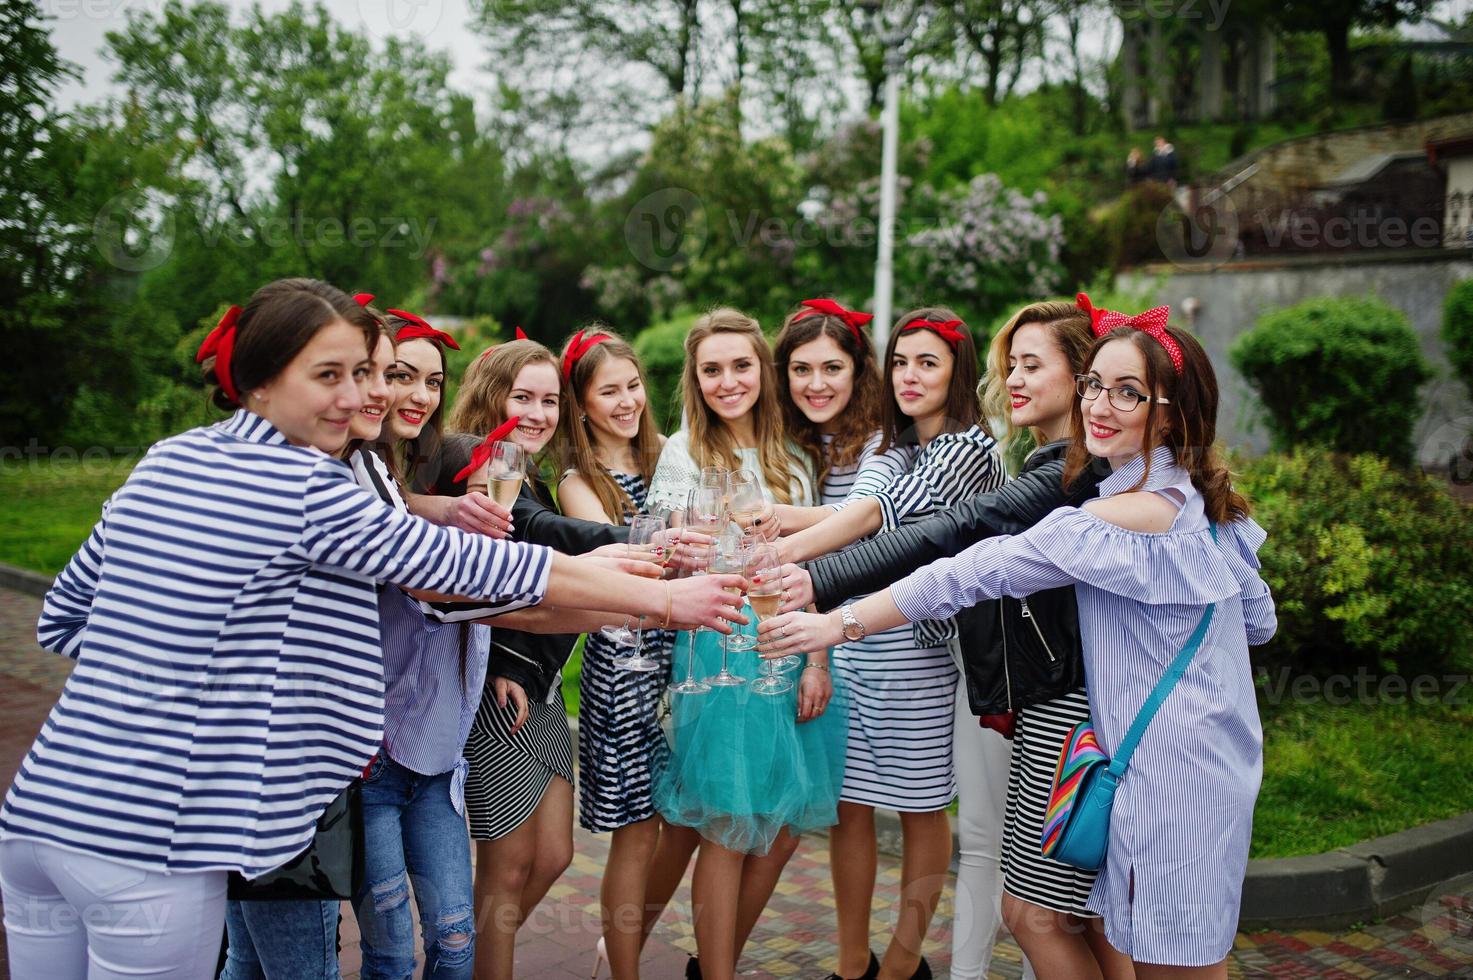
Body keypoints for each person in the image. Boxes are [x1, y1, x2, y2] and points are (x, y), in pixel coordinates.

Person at [0, 277, 747, 980]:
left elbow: (66, 618)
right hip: (150, 844)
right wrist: (667, 602)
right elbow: (465, 570)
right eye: (329, 376)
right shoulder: (304, 484)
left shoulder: (168, 459)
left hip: (41, 816)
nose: (359, 395)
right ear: (257, 380)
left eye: (363, 373)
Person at [758, 301, 1276, 980]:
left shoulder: (1109, 518)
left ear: (1171, 413)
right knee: (1138, 941)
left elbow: (970, 568)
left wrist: (836, 620)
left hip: (1167, 773)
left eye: (1128, 393)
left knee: (1147, 955)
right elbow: (1257, 622)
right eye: (1096, 383)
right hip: (1207, 757)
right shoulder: (1202, 505)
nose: (1101, 404)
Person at [773, 307, 1006, 980]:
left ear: (956, 373)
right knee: (848, 806)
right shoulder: (893, 446)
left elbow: (878, 521)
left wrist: (784, 558)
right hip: (854, 640)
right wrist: (771, 522)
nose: (909, 375)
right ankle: (852, 963)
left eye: (927, 362)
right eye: (901, 361)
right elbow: (853, 513)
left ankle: (904, 964)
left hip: (925, 652)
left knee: (919, 806)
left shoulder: (968, 449)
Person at [644, 307, 840, 980]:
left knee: (783, 827)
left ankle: (710, 959)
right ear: (695, 380)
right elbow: (671, 559)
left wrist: (817, 658)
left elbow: (811, 568)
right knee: (727, 825)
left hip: (791, 645)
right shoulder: (683, 452)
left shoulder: (792, 454)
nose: (727, 381)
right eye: (711, 369)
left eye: (740, 365)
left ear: (763, 369)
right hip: (722, 649)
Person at [437, 336, 640, 980]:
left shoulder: (528, 469)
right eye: (522, 397)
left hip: (543, 683)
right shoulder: (473, 462)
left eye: (550, 400)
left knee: (553, 854)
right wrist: (638, 538)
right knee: (508, 865)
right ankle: (477, 967)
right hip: (500, 687)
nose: (537, 411)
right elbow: (536, 539)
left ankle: (460, 962)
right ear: (489, 397)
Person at [554, 328, 677, 980]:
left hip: (684, 658)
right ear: (581, 403)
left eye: (632, 386)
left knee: (683, 818)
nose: (627, 401)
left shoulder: (673, 460)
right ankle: (623, 970)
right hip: (625, 664)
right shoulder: (579, 480)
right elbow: (619, 563)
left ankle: (620, 947)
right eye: (609, 391)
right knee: (636, 832)